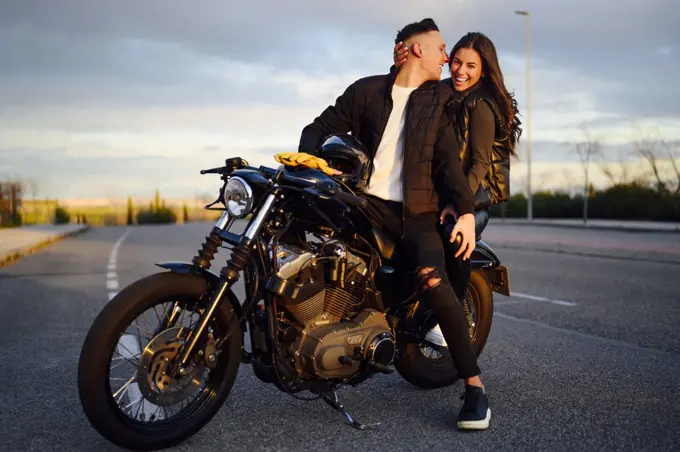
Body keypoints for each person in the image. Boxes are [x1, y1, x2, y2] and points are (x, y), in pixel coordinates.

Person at [295, 18, 491, 430]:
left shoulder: (437, 101)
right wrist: (308, 164)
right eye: (441, 49)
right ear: (417, 50)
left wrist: (467, 212)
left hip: (416, 214)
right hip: (362, 205)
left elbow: (449, 165)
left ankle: (474, 387)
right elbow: (317, 129)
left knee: (433, 278)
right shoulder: (366, 91)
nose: (446, 58)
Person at [393, 31, 522, 342]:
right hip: (440, 191)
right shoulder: (443, 90)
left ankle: (454, 318)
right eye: (458, 63)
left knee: (454, 240)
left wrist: (460, 204)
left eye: (471, 66)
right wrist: (400, 64)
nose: (461, 71)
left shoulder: (481, 105)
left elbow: (479, 164)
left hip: (474, 197)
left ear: (484, 71)